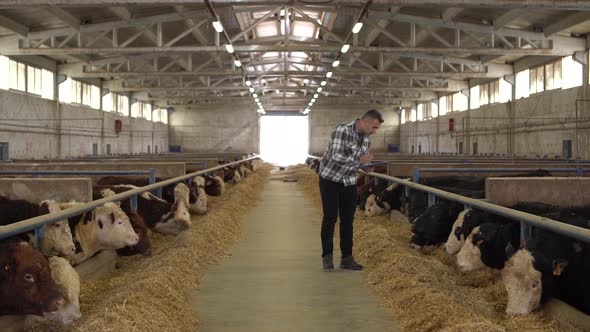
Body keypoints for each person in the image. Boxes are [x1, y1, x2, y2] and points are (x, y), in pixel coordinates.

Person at [318, 109, 383, 271]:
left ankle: (347, 258)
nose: (375, 132)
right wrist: (359, 160)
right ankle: (327, 257)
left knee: (348, 220)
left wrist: (366, 167)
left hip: (349, 181)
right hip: (330, 179)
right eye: (374, 127)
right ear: (365, 121)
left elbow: (359, 161)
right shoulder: (342, 130)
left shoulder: (367, 139)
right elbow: (336, 156)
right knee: (330, 217)